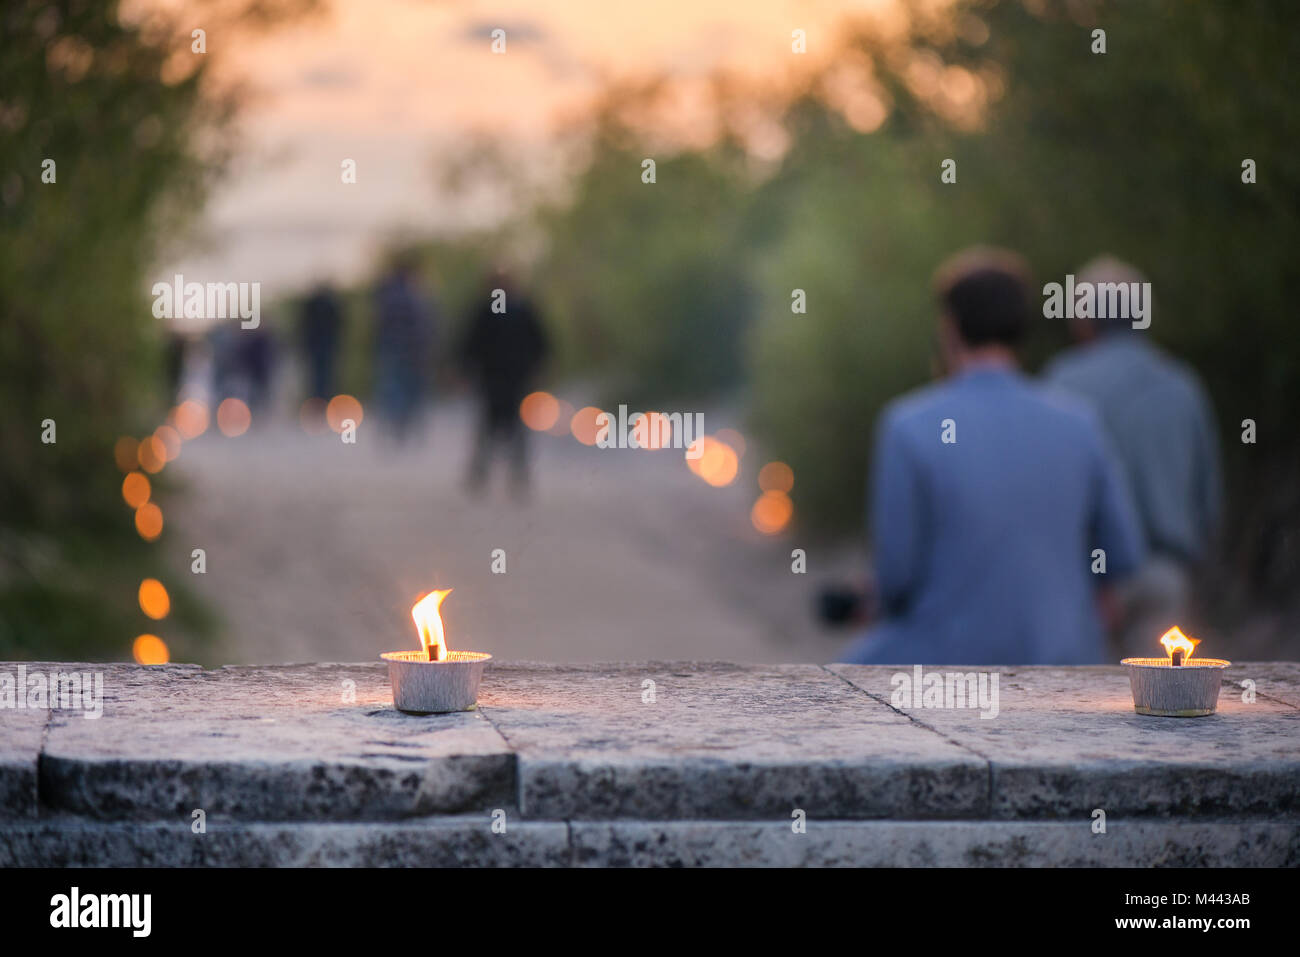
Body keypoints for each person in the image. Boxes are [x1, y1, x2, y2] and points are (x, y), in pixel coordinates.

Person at [839, 247, 1145, 665]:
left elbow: (896, 579)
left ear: (950, 327)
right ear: (1021, 327)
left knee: (838, 679)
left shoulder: (907, 426)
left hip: (946, 662)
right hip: (1063, 658)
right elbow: (1123, 554)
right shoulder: (1080, 422)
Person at [1043, 256, 1222, 658]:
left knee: (1079, 713)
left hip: (1088, 582)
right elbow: (1208, 498)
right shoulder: (1182, 385)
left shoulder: (1061, 382)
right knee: (1162, 706)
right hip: (1165, 575)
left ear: (1083, 318)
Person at [460, 267, 549, 497]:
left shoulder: (508, 310)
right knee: (497, 429)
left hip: (508, 377)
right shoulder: (502, 310)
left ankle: (504, 474)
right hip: (501, 377)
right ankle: (495, 474)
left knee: (504, 429)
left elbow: (539, 341)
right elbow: (473, 342)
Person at [373, 255, 437, 443]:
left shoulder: (387, 295)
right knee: (412, 390)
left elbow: (379, 324)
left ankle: (395, 427)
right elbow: (425, 325)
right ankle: (408, 427)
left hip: (392, 347)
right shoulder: (416, 295)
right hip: (413, 350)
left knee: (393, 389)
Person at [299, 282, 343, 401]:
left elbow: (304, 326)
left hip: (320, 344)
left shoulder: (312, 305)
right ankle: (322, 399)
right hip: (325, 344)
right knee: (324, 374)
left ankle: (319, 400)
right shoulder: (331, 304)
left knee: (319, 374)